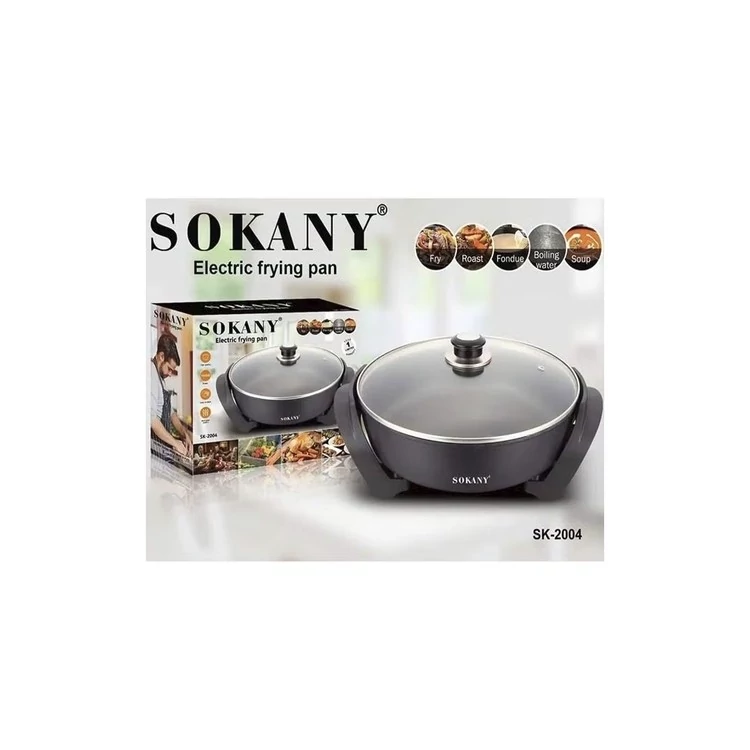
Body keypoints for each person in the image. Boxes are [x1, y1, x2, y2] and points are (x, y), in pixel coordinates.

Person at [151, 334, 192, 456]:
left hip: (161, 447)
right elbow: (152, 420)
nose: (170, 374)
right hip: (154, 448)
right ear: (161, 356)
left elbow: (170, 413)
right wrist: (176, 444)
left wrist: (184, 434)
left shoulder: (160, 378)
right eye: (169, 369)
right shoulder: (151, 375)